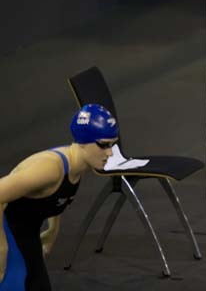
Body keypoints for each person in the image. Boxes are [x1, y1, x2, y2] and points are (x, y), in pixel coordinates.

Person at [0, 104, 118, 291]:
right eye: (103, 145)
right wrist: (1, 248)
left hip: (25, 235)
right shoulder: (50, 169)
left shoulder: (76, 167)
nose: (110, 152)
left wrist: (52, 231)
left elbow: (56, 197)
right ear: (83, 141)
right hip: (7, 234)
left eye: (112, 144)